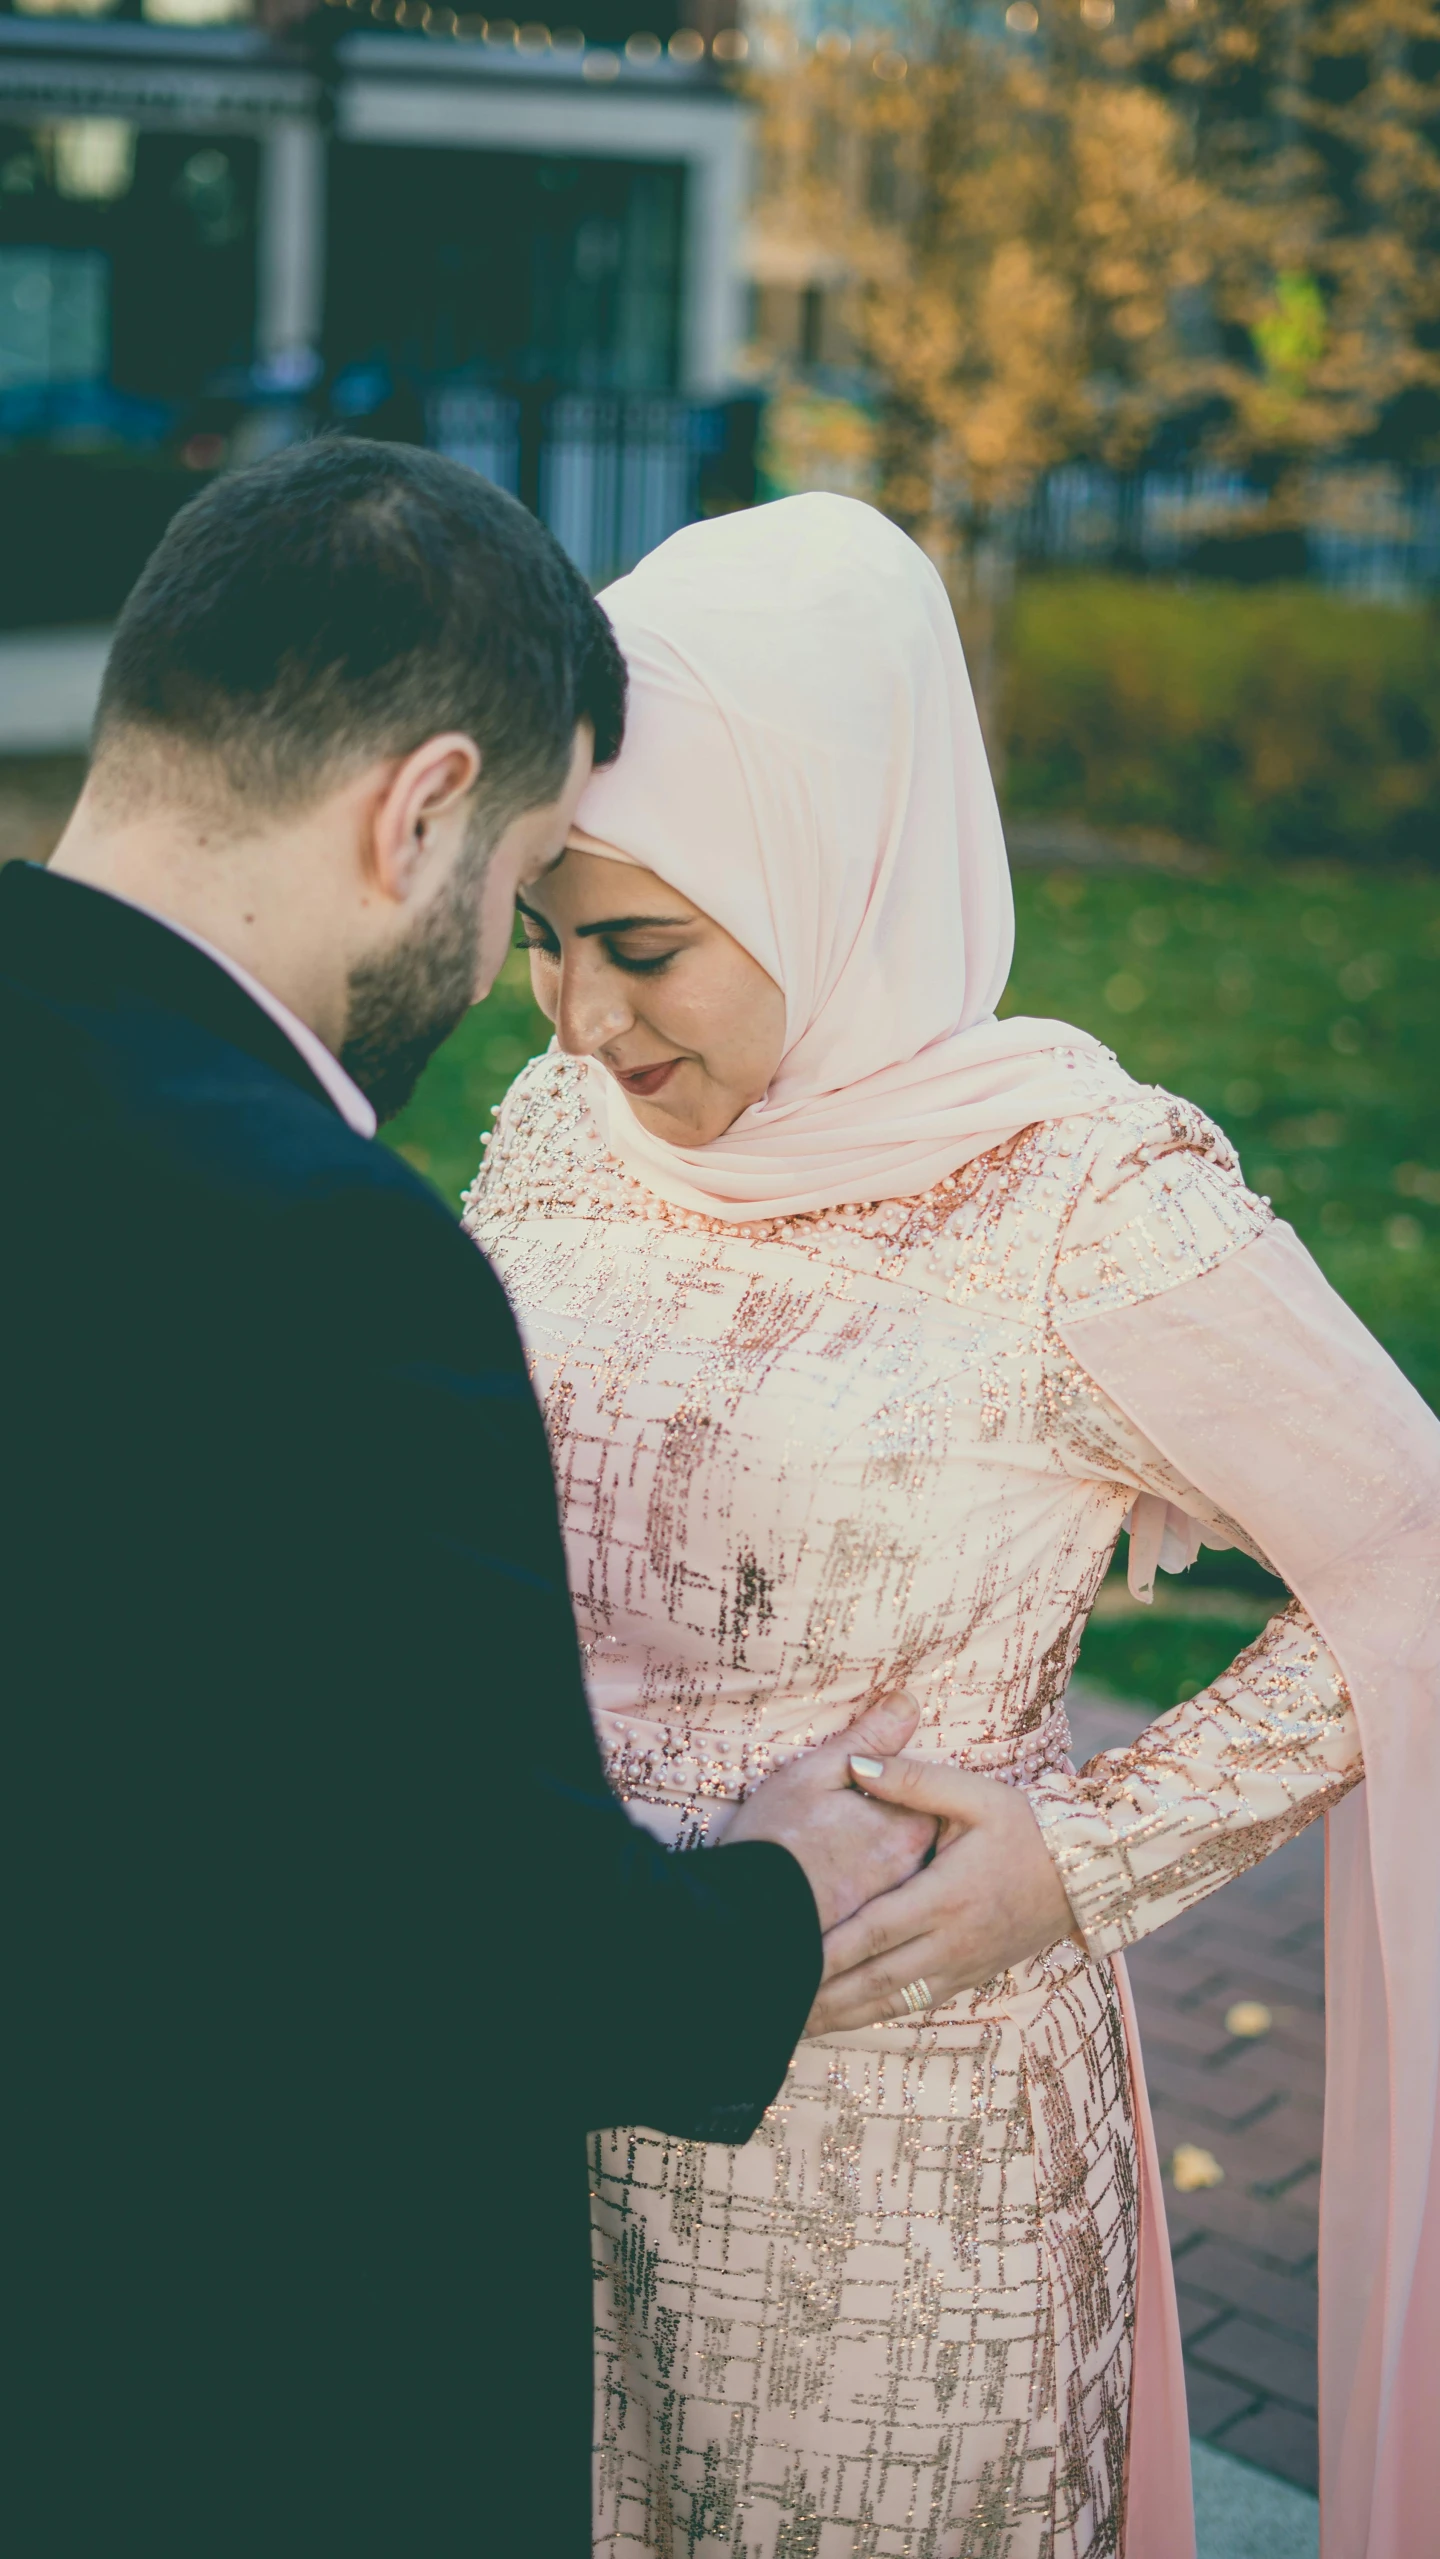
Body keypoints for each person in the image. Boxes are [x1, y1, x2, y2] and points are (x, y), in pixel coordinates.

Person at [465, 493, 1440, 2559]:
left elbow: (1421, 1551)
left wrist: (1082, 1862)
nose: (580, 1017)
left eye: (644, 948)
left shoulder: (1083, 1203)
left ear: (840, 867)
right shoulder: (559, 1135)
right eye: (548, 933)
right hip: (537, 2101)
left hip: (893, 2180)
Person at [0, 444, 939, 2558]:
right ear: (419, 808)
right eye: (520, 882)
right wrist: (784, 1885)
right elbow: (490, 1947)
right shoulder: (326, 1254)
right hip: (215, 2367)